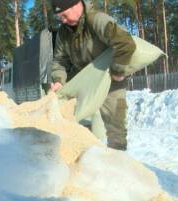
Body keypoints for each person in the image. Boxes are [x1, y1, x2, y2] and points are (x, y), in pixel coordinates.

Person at [49, 0, 136, 150]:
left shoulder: (96, 19)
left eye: (64, 15)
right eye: (59, 17)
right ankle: (83, 156)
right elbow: (59, 61)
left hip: (109, 78)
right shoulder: (63, 32)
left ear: (75, 5)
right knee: (74, 117)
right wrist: (58, 80)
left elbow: (125, 43)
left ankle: (118, 161)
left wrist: (117, 71)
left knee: (115, 123)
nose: (62, 20)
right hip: (83, 79)